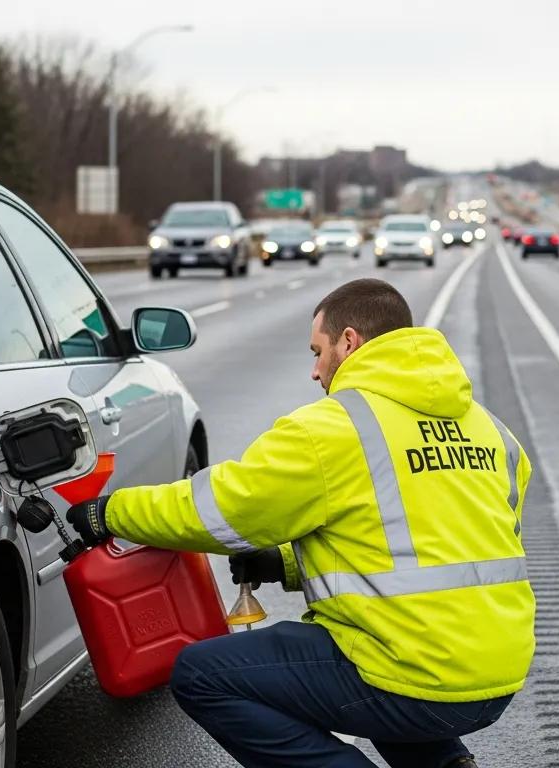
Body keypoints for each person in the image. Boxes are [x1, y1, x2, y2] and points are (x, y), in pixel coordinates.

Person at [66, 278, 535, 768]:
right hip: (496, 672)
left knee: (203, 675)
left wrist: (111, 513)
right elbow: (437, 537)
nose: (315, 371)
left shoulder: (333, 427)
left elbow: (222, 511)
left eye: (318, 351)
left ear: (348, 342)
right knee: (381, 669)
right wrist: (286, 562)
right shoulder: (490, 429)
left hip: (415, 673)